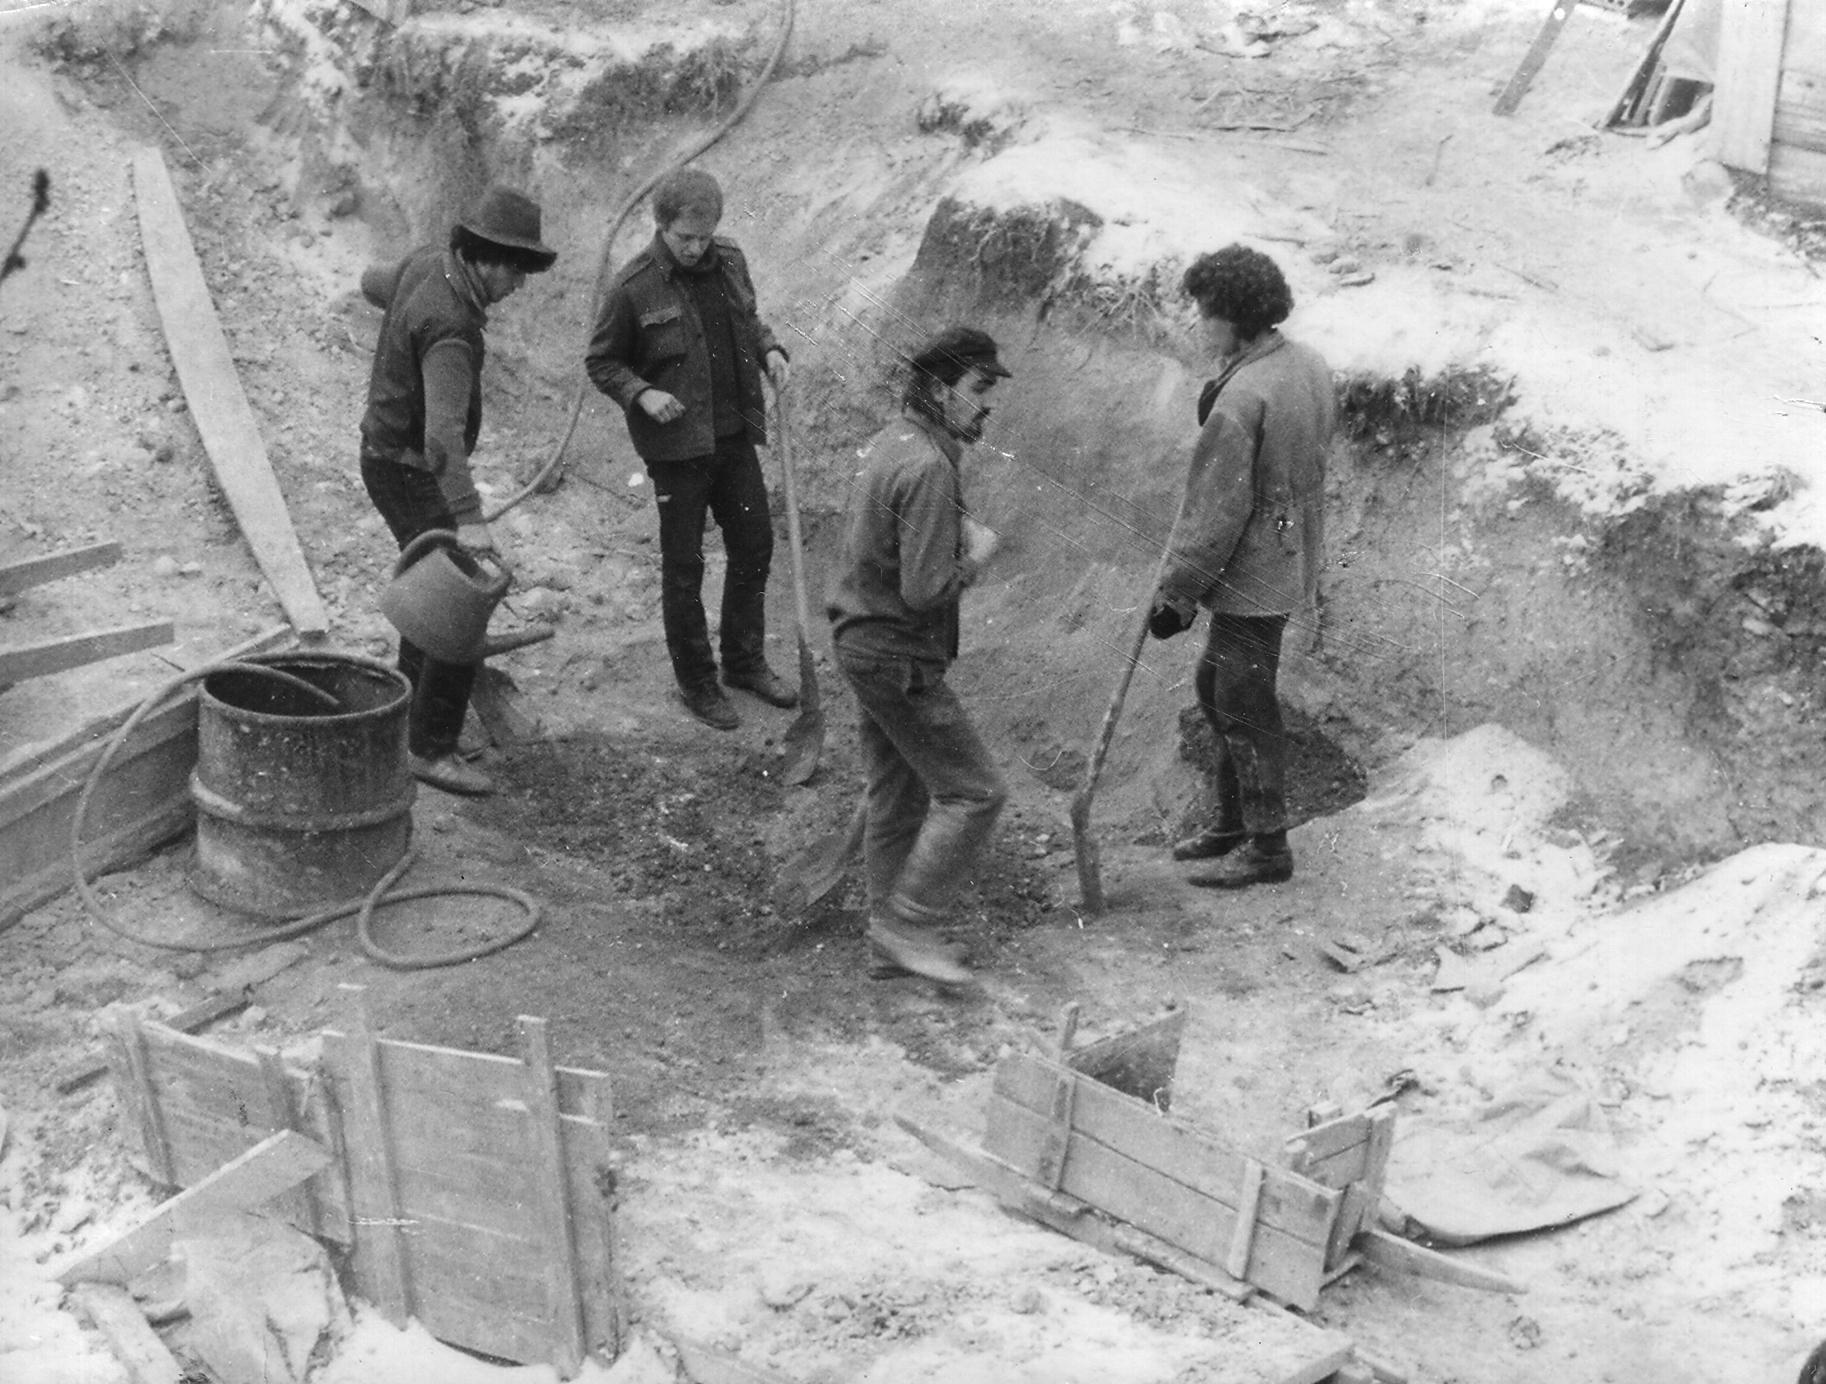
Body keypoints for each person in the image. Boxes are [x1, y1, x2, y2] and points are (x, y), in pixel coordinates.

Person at [827, 326, 1012, 987]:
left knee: (898, 794)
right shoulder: (930, 466)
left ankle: (889, 945)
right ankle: (906, 923)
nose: (987, 405)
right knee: (976, 792)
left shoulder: (899, 441)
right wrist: (977, 557)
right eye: (978, 390)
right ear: (940, 390)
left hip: (863, 643)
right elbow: (925, 588)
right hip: (896, 656)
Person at [359, 184, 557, 797]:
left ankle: (405, 723)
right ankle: (429, 748)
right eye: (516, 271)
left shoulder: (427, 262)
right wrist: (468, 519)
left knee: (427, 590)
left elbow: (375, 281)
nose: (519, 285)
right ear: (485, 258)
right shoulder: (450, 328)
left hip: (385, 456)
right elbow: (441, 432)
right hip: (410, 464)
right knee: (456, 598)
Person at [1148, 244, 1334, 888]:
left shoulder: (1242, 398)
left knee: (1241, 696)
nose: (1201, 325)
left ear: (1238, 317)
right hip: (1291, 548)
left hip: (1253, 562)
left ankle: (1267, 846)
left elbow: (1214, 512)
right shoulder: (1305, 363)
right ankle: (1231, 822)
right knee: (1216, 684)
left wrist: (1178, 594)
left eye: (1208, 314)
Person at [584, 167, 794, 731]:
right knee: (685, 568)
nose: (696, 249)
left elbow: (748, 321)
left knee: (754, 546)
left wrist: (769, 349)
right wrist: (642, 392)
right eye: (685, 239)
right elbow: (602, 362)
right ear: (662, 226)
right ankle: (697, 683)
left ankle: (744, 663)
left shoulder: (729, 260)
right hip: (677, 450)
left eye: (704, 236)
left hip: (734, 438)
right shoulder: (633, 286)